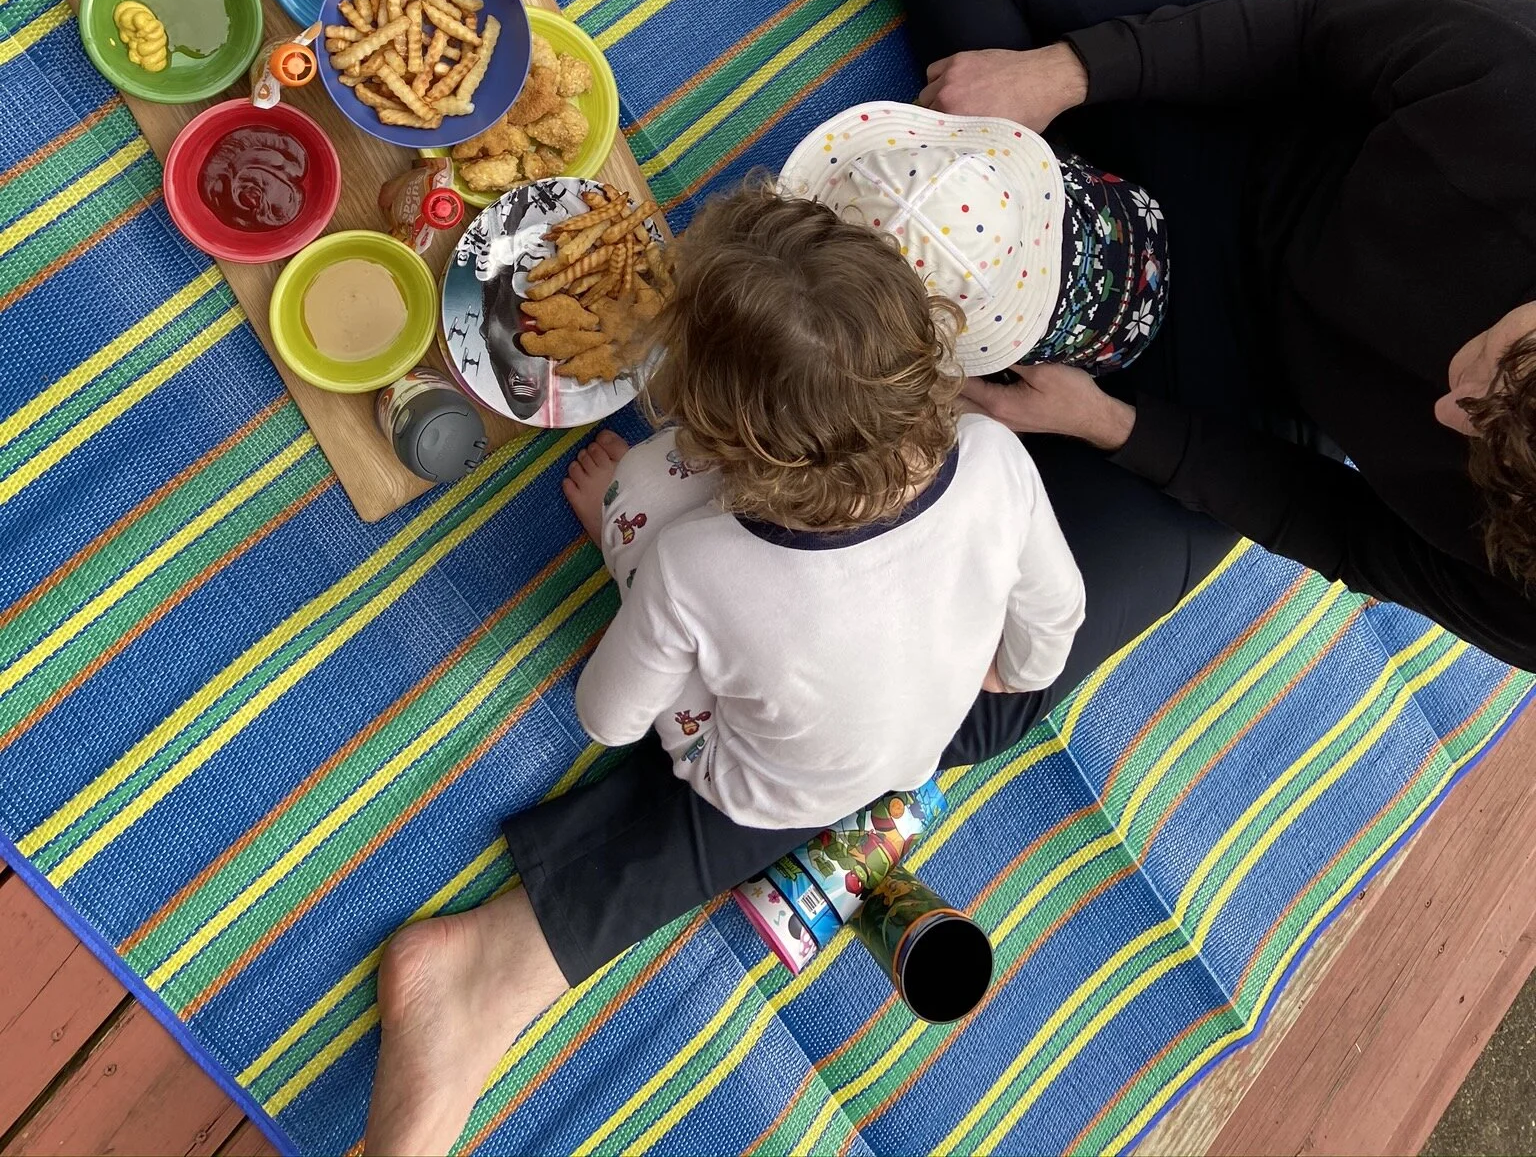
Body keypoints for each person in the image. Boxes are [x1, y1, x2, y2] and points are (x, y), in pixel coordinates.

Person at [363, 178, 1231, 1156]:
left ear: (717, 443)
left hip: (750, 782)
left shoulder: (696, 562)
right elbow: (1053, 621)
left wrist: (632, 552)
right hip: (920, 732)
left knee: (634, 499)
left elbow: (608, 716)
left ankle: (622, 532)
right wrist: (1002, 669)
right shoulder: (993, 452)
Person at [877, 0, 1536, 669]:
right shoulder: (1521, 98)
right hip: (1237, 130)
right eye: (1490, 379)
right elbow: (1313, 36)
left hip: (1237, 393)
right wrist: (1067, 72)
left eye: (1482, 455)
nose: (1444, 409)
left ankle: (1032, 180)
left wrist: (1112, 426)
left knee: (991, 668)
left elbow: (1351, 535)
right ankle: (1040, 150)